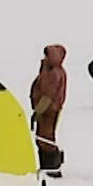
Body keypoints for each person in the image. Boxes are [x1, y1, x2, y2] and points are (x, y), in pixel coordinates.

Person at [31, 44, 69, 174]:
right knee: (45, 137)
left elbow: (47, 95)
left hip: (48, 110)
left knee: (45, 139)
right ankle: (50, 165)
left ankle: (51, 166)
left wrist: (38, 111)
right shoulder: (52, 71)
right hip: (49, 109)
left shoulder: (53, 73)